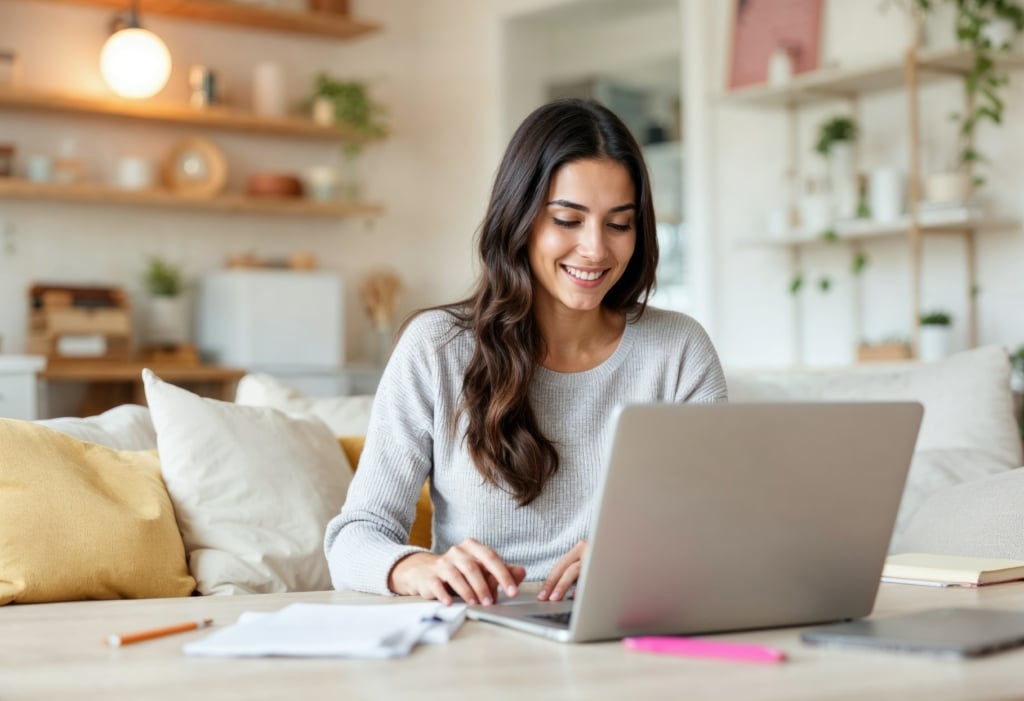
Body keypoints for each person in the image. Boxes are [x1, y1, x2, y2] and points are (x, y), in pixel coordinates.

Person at [325, 97, 727, 607]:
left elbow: (715, 524)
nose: (596, 249)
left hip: (627, 624)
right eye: (567, 219)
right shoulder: (437, 347)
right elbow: (354, 537)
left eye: (618, 224)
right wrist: (416, 567)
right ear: (521, 219)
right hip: (480, 635)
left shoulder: (679, 351)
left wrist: (647, 550)